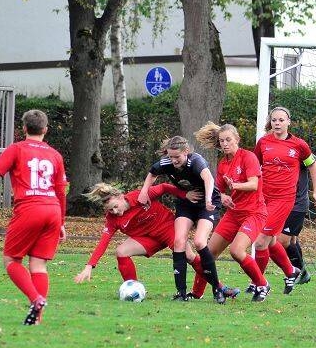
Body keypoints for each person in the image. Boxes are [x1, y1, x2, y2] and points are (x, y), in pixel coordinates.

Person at [74, 182, 236, 300]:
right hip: (148, 239)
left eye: (115, 207)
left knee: (190, 256)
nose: (115, 212)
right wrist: (89, 266)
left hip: (167, 229)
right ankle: (134, 290)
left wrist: (183, 195)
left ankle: (221, 287)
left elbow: (165, 187)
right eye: (110, 210)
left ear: (120, 197)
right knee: (121, 251)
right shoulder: (112, 219)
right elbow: (104, 241)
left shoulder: (140, 196)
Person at [0, 109, 66, 325]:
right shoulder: (55, 155)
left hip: (30, 208)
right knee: (38, 265)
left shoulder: (16, 149)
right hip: (53, 210)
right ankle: (37, 319)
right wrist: (62, 223)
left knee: (11, 259)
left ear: (24, 128)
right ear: (45, 130)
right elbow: (60, 192)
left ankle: (36, 299)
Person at [138, 136, 225, 302]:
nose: (174, 160)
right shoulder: (167, 163)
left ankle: (217, 290)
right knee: (179, 242)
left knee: (200, 242)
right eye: (170, 157)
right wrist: (144, 192)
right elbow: (152, 174)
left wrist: (207, 200)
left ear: (186, 152)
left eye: (177, 157)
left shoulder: (196, 161)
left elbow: (209, 179)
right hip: (186, 204)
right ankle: (181, 293)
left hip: (207, 204)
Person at [251, 106, 316, 300]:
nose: (277, 123)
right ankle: (292, 270)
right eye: (274, 120)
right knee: (273, 240)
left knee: (261, 241)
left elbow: (314, 165)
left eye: (281, 120)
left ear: (288, 122)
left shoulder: (299, 145)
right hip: (264, 198)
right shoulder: (263, 142)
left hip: (286, 200)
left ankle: (258, 282)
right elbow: (253, 165)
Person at [194, 122, 271, 302]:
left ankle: (262, 284)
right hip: (234, 213)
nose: (225, 144)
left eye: (228, 139)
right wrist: (222, 197)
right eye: (222, 141)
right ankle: (196, 293)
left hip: (254, 213)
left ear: (237, 139)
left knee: (237, 251)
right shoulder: (223, 164)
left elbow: (254, 184)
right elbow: (217, 190)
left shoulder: (248, 157)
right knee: (207, 253)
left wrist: (234, 185)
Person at [277, 154, 316, 286]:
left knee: (282, 240)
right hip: (281, 201)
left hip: (298, 203)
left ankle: (299, 272)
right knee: (291, 240)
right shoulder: (269, 146)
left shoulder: (295, 147)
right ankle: (300, 273)